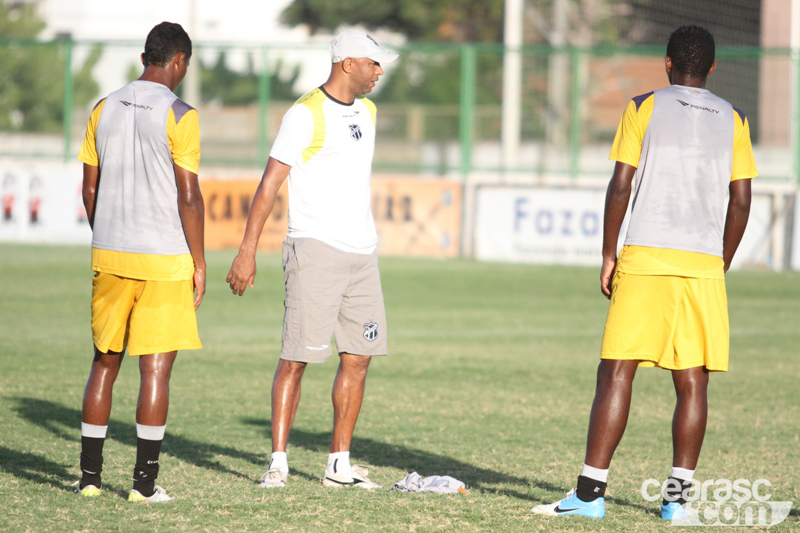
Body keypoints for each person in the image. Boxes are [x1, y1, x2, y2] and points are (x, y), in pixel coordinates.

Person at [531, 25, 756, 520]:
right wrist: (720, 262)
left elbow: (620, 186)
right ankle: (676, 504)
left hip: (648, 254)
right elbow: (741, 200)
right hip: (702, 264)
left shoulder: (643, 105)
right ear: (712, 69)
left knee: (617, 369)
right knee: (692, 380)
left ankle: (589, 497)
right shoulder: (735, 117)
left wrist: (609, 254)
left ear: (668, 63)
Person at [226, 29, 398, 490]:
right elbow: (268, 185)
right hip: (314, 251)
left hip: (364, 256)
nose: (379, 71)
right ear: (347, 64)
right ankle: (278, 463)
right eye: (373, 63)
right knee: (296, 359)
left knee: (359, 358)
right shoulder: (304, 115)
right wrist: (247, 251)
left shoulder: (370, 111)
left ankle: (338, 464)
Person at [76, 21, 205, 503]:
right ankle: (143, 487)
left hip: (110, 251)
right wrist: (200, 262)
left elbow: (89, 189)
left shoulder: (102, 106)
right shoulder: (180, 113)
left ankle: (89, 480)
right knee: (154, 371)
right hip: (164, 258)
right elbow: (189, 198)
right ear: (178, 62)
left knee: (104, 364)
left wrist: (107, 233)